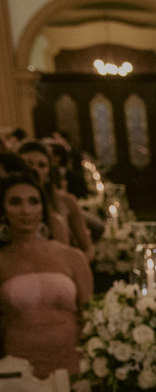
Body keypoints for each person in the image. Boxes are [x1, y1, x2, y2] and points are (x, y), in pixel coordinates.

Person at [0, 173, 92, 378]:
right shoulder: (2, 261)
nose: (26, 211)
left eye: (34, 201)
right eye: (15, 202)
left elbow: (90, 316)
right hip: (18, 368)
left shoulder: (72, 257)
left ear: (43, 208)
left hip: (73, 364)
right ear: (3, 210)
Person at [18, 141, 92, 262]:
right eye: (29, 163)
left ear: (48, 173)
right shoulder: (10, 205)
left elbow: (88, 248)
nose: (34, 169)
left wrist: (76, 266)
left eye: (41, 165)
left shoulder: (65, 201)